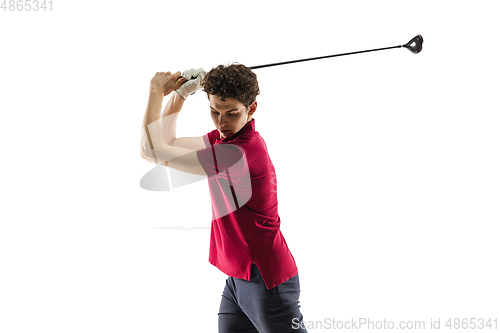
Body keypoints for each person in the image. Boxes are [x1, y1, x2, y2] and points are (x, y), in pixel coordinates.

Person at [140, 63, 307, 332]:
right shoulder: (224, 140)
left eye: (231, 113)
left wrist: (155, 91)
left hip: (267, 283)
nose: (221, 122)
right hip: (237, 280)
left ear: (251, 109)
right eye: (214, 111)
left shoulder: (237, 154)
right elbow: (167, 140)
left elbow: (151, 151)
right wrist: (180, 94)